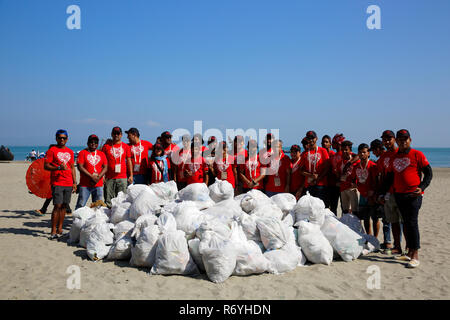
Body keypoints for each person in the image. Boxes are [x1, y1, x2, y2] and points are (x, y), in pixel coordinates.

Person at [379, 129, 432, 268]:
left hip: (413, 195)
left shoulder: (417, 154)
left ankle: (415, 255)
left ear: (410, 140)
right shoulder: (394, 156)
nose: (403, 141)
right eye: (400, 139)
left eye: (405, 139)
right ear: (397, 141)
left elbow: (429, 173)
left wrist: (422, 187)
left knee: (412, 223)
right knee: (406, 224)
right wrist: (381, 193)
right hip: (399, 195)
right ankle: (409, 253)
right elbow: (389, 177)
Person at [44, 129, 77, 239]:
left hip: (68, 182)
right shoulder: (52, 151)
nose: (62, 139)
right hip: (57, 182)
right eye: (59, 137)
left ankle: (60, 229)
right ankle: (53, 230)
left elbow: (72, 167)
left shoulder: (70, 152)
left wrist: (74, 182)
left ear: (67, 139)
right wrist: (58, 167)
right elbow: (46, 166)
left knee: (64, 206)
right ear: (56, 138)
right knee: (57, 206)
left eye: (64, 138)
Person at [378, 130, 404, 255]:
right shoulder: (384, 156)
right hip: (389, 193)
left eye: (389, 139)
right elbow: (383, 175)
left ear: (395, 139)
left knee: (404, 220)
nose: (387, 142)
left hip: (402, 192)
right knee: (392, 220)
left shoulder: (400, 152)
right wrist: (381, 193)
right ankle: (397, 246)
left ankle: (408, 248)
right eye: (385, 139)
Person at [369, 139, 393, 249]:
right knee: (385, 218)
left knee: (387, 219)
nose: (373, 153)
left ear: (378, 149)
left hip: (388, 191)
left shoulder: (386, 158)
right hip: (383, 191)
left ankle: (388, 242)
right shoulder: (380, 159)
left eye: (374, 151)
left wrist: (381, 192)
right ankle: (387, 241)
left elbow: (383, 177)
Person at [101, 127, 133, 208]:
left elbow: (129, 161)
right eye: (114, 133)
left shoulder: (126, 146)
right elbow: (102, 162)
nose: (116, 135)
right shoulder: (106, 146)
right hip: (109, 177)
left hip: (122, 177)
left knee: (122, 199)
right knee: (109, 200)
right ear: (111, 134)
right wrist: (102, 175)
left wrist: (131, 175)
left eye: (118, 133)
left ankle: (119, 218)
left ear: (121, 135)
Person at [352, 143, 379, 236]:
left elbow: (377, 181)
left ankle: (375, 238)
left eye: (364, 152)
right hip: (363, 195)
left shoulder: (372, 165)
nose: (362, 154)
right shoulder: (356, 167)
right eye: (360, 152)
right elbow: (354, 180)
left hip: (372, 195)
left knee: (375, 218)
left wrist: (373, 193)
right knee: (365, 218)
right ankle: (369, 236)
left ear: (368, 153)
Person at [75, 134, 108, 209]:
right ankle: (77, 220)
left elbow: (105, 167)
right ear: (87, 143)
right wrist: (91, 177)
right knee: (81, 204)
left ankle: (95, 220)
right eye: (91, 142)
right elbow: (80, 167)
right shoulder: (82, 153)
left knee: (98, 205)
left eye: (96, 142)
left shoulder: (101, 154)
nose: (93, 143)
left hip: (98, 184)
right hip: (85, 184)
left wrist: (98, 177)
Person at [300, 131, 330, 206]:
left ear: (316, 139)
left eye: (312, 138)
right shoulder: (305, 153)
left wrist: (317, 179)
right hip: (309, 185)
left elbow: (327, 168)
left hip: (321, 185)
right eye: (309, 138)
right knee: (310, 208)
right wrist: (310, 176)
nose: (311, 140)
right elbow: (301, 170)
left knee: (320, 207)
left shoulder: (323, 151)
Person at [337, 140, 358, 215]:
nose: (344, 151)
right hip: (343, 188)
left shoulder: (355, 160)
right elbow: (338, 174)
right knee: (345, 211)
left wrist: (356, 182)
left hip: (352, 188)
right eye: (342, 150)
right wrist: (339, 179)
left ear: (350, 150)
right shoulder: (340, 162)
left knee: (355, 211)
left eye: (346, 150)